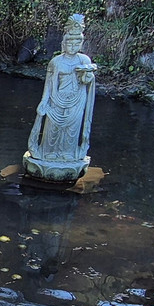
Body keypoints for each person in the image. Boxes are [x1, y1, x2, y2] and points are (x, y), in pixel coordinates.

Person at [23, 13, 97, 183]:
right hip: (57, 99)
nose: (73, 45)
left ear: (82, 43)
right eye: (69, 42)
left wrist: (87, 76)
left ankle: (68, 154)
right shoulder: (56, 62)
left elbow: (87, 82)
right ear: (63, 44)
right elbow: (49, 85)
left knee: (72, 130)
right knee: (53, 128)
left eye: (77, 42)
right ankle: (49, 152)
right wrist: (44, 102)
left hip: (77, 100)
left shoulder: (84, 59)